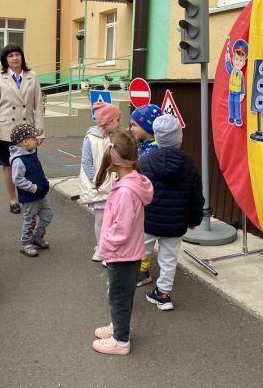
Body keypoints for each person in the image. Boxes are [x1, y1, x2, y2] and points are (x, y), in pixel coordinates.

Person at [92, 131, 153, 355]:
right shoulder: (131, 182)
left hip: (122, 254)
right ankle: (118, 327)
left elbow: (122, 228)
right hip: (127, 253)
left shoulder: (127, 191)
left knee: (118, 297)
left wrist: (105, 245)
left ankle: (121, 341)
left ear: (113, 159)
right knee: (120, 295)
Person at [139, 115, 204, 311]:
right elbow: (196, 198)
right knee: (168, 260)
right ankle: (163, 295)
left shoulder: (145, 162)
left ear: (157, 137)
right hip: (175, 225)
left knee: (137, 255)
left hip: (147, 222)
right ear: (179, 138)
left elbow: (136, 192)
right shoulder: (189, 166)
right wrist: (194, 220)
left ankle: (123, 291)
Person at [0, 44, 45, 214]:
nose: (14, 58)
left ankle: (29, 196)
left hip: (27, 130)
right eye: (10, 55)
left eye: (17, 54)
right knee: (8, 165)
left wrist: (40, 132)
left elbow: (38, 105)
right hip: (5, 129)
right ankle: (13, 199)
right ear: (5, 59)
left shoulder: (32, 76)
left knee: (29, 164)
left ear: (22, 57)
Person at [78, 101, 122, 263]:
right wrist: (98, 182)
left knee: (110, 220)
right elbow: (87, 163)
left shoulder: (111, 137)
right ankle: (102, 249)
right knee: (101, 220)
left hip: (110, 186)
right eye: (118, 120)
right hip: (99, 187)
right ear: (108, 121)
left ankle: (105, 248)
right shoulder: (90, 139)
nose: (119, 123)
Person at [129, 103, 163, 286]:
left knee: (145, 240)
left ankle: (142, 272)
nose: (131, 128)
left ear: (149, 127)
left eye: (134, 125)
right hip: (144, 203)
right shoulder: (144, 145)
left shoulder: (153, 153)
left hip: (150, 205)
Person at [9, 123, 53, 257]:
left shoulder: (31, 153)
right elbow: (17, 179)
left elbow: (38, 170)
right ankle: (25, 244)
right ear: (25, 141)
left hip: (40, 194)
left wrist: (44, 180)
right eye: (34, 137)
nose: (37, 140)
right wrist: (32, 187)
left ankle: (37, 237)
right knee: (30, 219)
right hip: (30, 196)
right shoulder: (18, 160)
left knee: (47, 215)